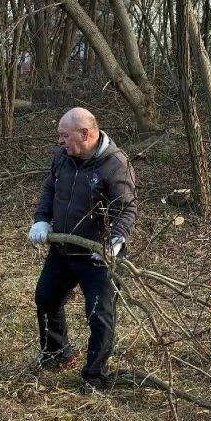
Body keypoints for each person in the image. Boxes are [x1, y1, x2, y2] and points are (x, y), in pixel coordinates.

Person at [27, 107, 136, 392]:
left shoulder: (115, 164)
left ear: (85, 134)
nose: (60, 141)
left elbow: (126, 209)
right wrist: (41, 219)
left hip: (98, 255)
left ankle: (94, 375)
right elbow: (50, 189)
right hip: (63, 248)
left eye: (64, 135)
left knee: (99, 314)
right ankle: (57, 353)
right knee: (46, 297)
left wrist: (115, 241)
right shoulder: (62, 157)